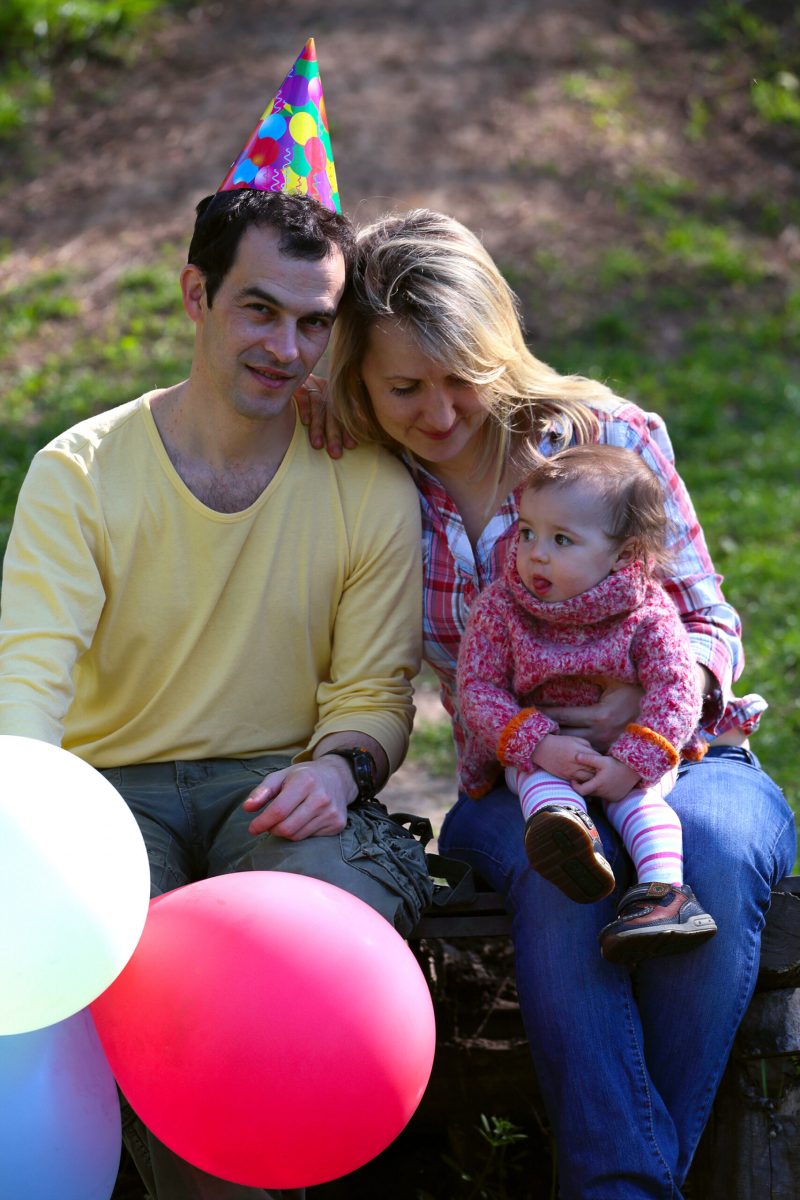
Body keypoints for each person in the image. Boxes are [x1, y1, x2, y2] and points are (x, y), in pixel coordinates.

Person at [301, 207, 796, 1198]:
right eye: (404, 386)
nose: (438, 411)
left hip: (679, 754)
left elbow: (709, 618)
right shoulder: (361, 485)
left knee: (713, 852)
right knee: (565, 874)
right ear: (359, 374)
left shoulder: (609, 440)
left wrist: (650, 713)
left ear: (499, 349)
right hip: (516, 778)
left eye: (461, 378)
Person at [0, 189, 433, 1200]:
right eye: (259, 309)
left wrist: (340, 765)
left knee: (304, 952)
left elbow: (375, 693)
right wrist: (33, 830)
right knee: (136, 978)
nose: (287, 347)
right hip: (107, 796)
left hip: (278, 787)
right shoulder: (82, 472)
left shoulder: (364, 484)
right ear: (195, 294)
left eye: (314, 322)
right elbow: (28, 684)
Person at [456, 442, 717, 963]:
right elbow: (478, 689)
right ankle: (567, 838)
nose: (536, 553)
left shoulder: (647, 611)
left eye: (562, 539)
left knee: (641, 802)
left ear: (623, 554)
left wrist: (630, 763)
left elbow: (676, 690)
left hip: (630, 750)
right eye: (527, 531)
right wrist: (539, 743)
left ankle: (667, 895)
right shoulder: (501, 608)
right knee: (535, 782)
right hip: (542, 751)